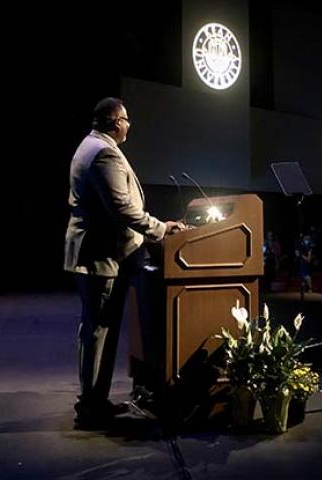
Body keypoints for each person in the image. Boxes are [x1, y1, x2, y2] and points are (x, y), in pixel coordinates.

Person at [64, 97, 184, 428]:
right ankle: (90, 407)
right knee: (99, 331)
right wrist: (160, 229)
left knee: (96, 330)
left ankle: (94, 402)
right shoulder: (103, 153)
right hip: (99, 256)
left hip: (96, 253)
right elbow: (122, 209)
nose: (129, 125)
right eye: (127, 120)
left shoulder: (90, 145)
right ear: (116, 121)